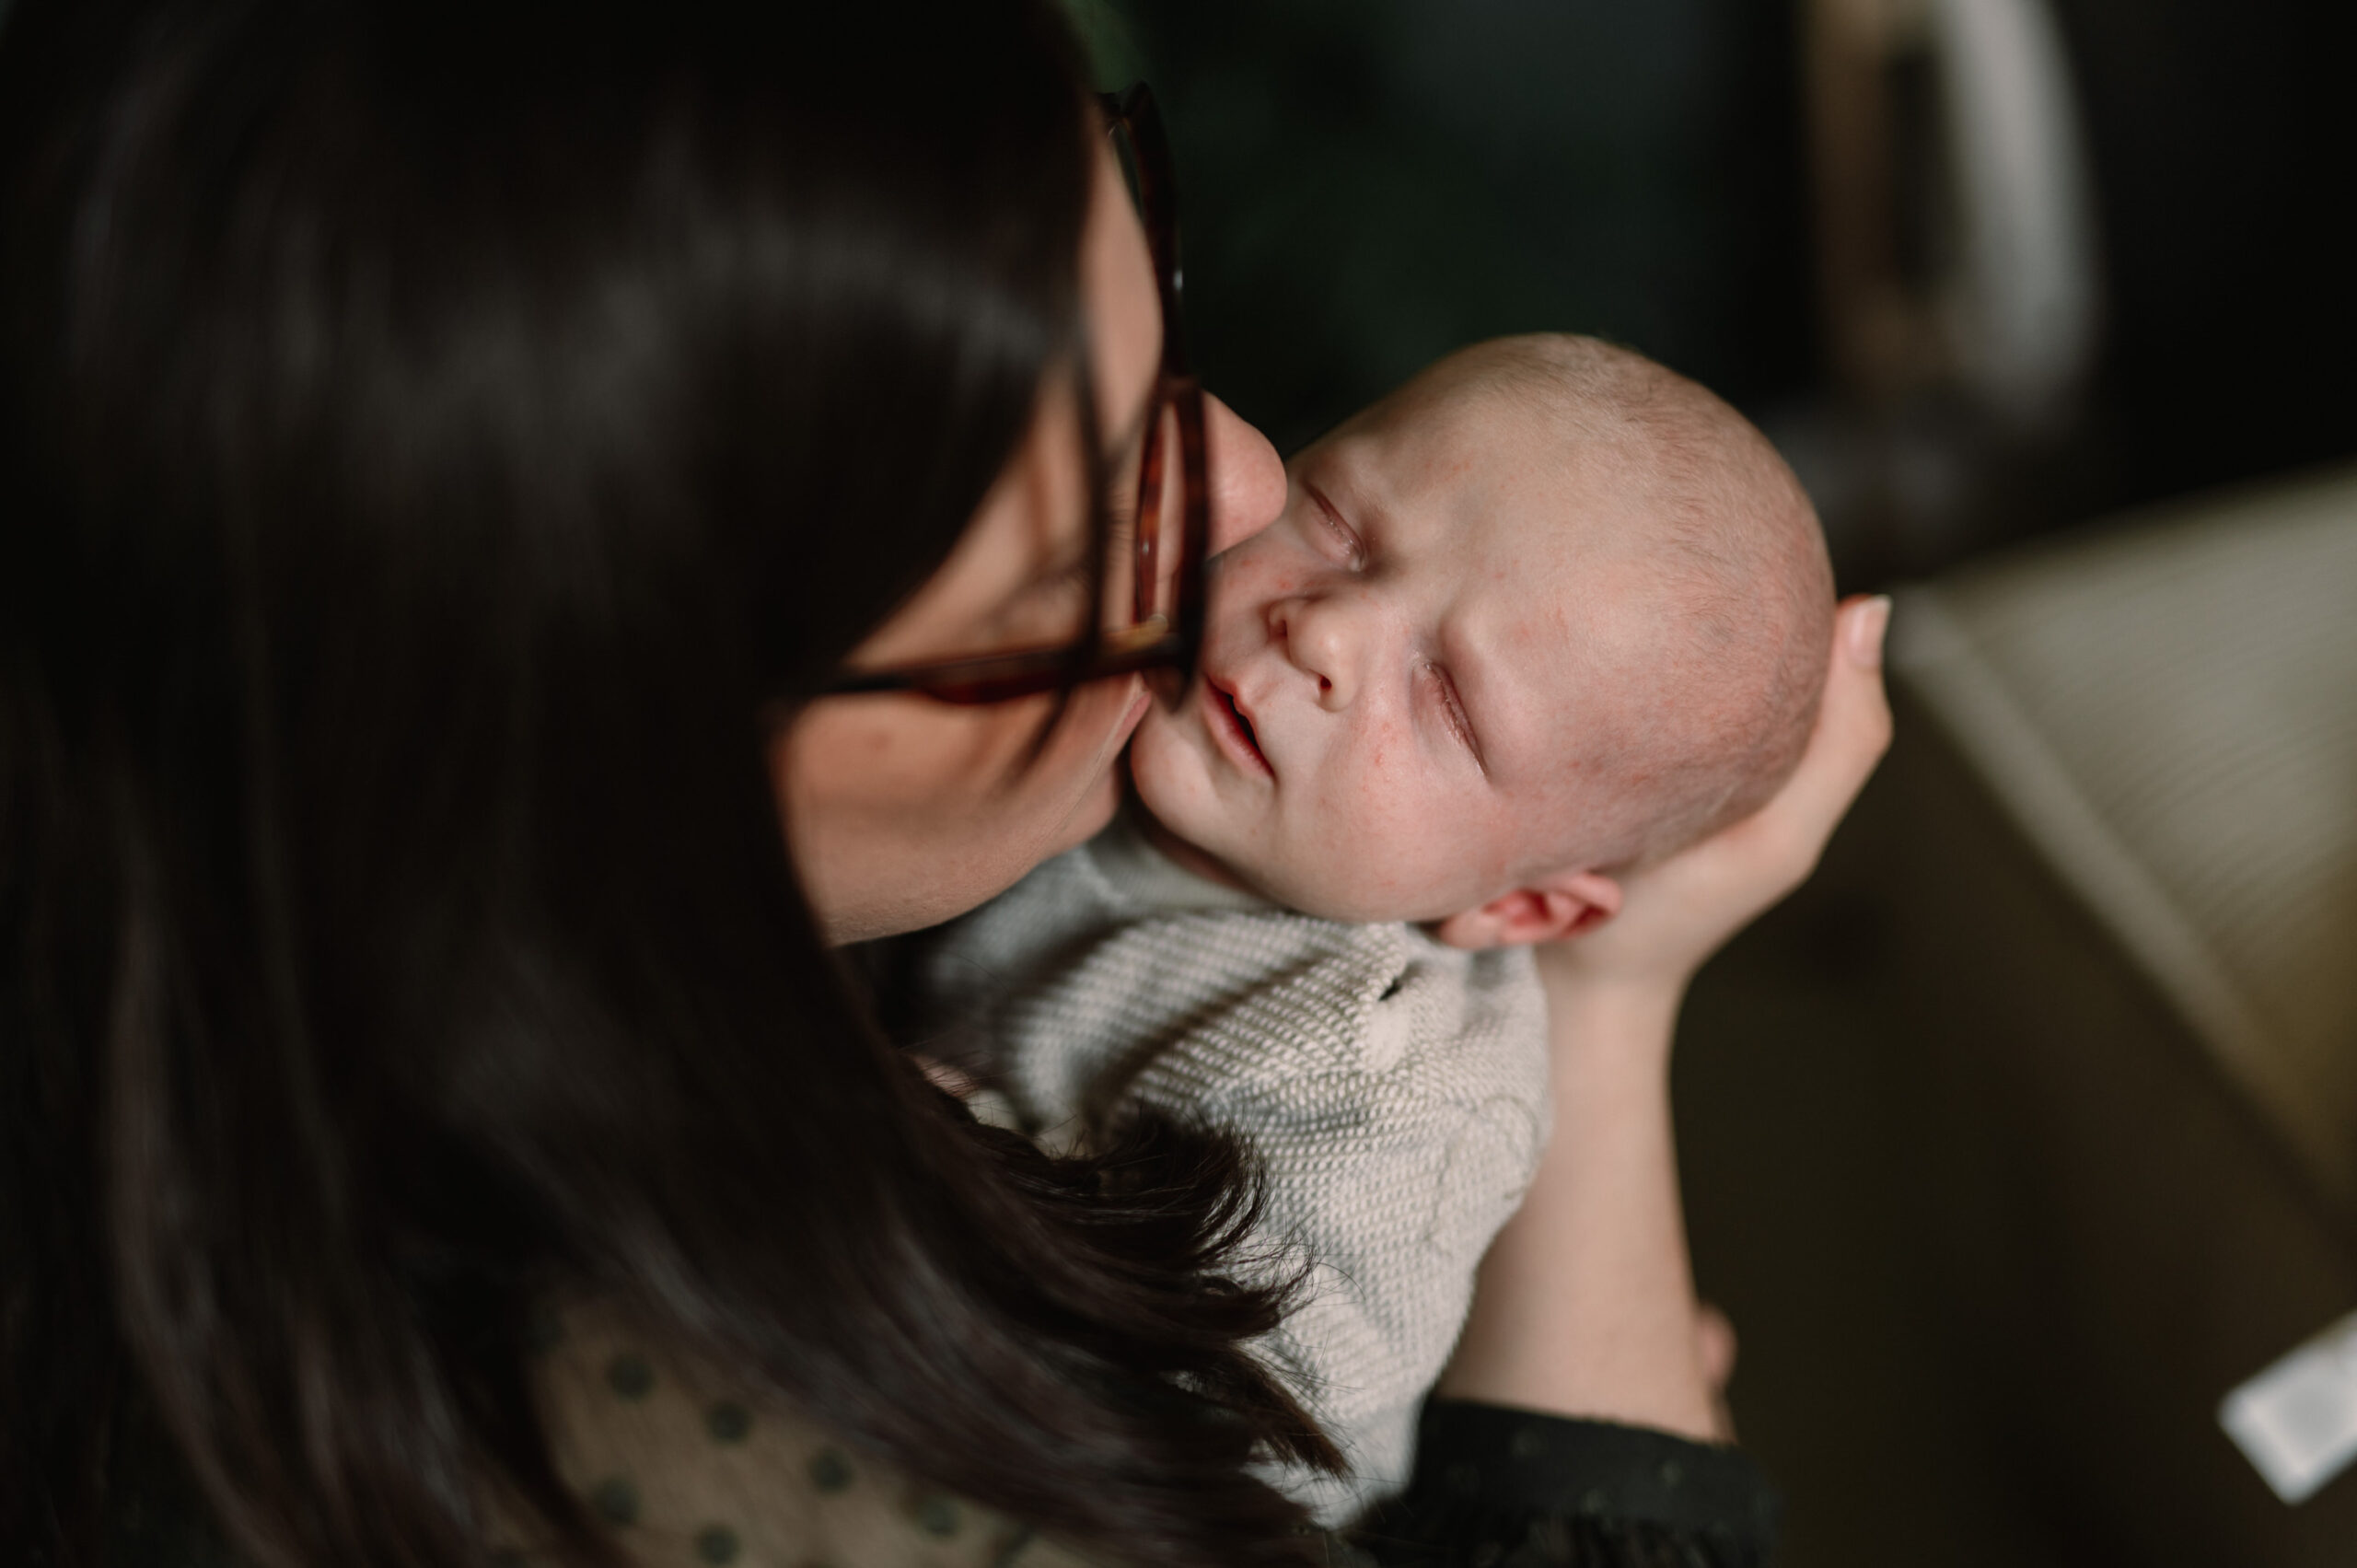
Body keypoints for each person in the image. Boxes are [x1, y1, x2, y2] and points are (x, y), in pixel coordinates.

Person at [0, 4, 1893, 1568]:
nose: (1239, 494)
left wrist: (1597, 1007)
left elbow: (1311, 1376)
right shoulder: (737, 1453)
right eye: (1077, 554)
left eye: (1166, 312)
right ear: (619, 788)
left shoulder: (1361, 1070)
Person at [906, 331, 1834, 1522]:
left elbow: (1243, 1444)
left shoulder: (1383, 1098)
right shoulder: (1126, 668)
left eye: (1446, 696)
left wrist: (944, 1155)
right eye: (1339, 525)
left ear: (1519, 907)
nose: (1327, 632)